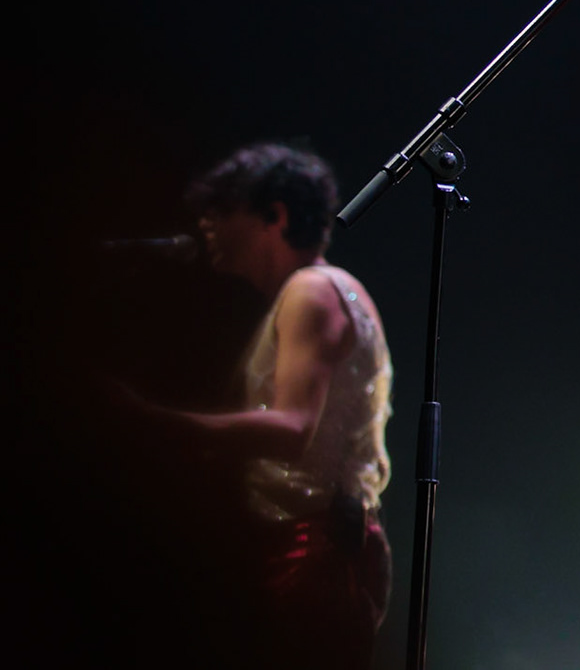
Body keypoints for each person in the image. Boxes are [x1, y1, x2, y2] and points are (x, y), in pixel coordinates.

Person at [129, 141, 394, 668]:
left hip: (311, 549)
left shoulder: (311, 291)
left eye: (223, 210)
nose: (206, 225)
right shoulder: (337, 289)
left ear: (274, 215)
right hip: (332, 541)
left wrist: (151, 422)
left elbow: (292, 430)